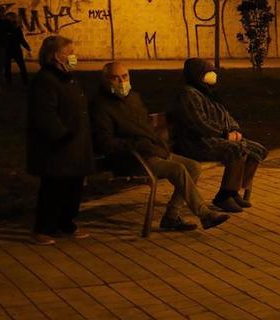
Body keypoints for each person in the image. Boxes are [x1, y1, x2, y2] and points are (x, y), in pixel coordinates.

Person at [91, 62, 230, 231]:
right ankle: (205, 214)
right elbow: (105, 142)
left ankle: (171, 216)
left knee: (193, 167)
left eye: (125, 76)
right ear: (105, 80)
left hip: (152, 150)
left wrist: (159, 144)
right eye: (115, 78)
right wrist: (137, 145)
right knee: (178, 169)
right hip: (131, 158)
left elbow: (146, 128)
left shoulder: (133, 98)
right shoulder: (101, 106)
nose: (121, 82)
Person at [173, 58, 268, 210]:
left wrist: (234, 129)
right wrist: (224, 134)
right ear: (197, 74)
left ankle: (233, 191)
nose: (212, 75)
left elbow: (225, 114)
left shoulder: (207, 92)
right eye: (208, 72)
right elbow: (200, 123)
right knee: (236, 149)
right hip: (197, 142)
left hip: (215, 138)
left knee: (258, 150)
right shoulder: (189, 94)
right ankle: (224, 196)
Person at [27, 35, 94, 245]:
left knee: (73, 187)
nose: (74, 56)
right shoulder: (45, 80)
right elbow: (45, 114)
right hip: (57, 147)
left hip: (76, 144)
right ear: (57, 55)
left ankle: (66, 223)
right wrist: (62, 135)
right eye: (70, 52)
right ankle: (44, 228)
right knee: (53, 188)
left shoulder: (68, 77)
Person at [3, 13, 32, 86]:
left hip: (7, 49)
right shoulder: (16, 28)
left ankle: (8, 81)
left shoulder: (3, 27)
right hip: (15, 49)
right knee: (21, 66)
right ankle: (25, 81)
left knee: (7, 66)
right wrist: (27, 46)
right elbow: (21, 39)